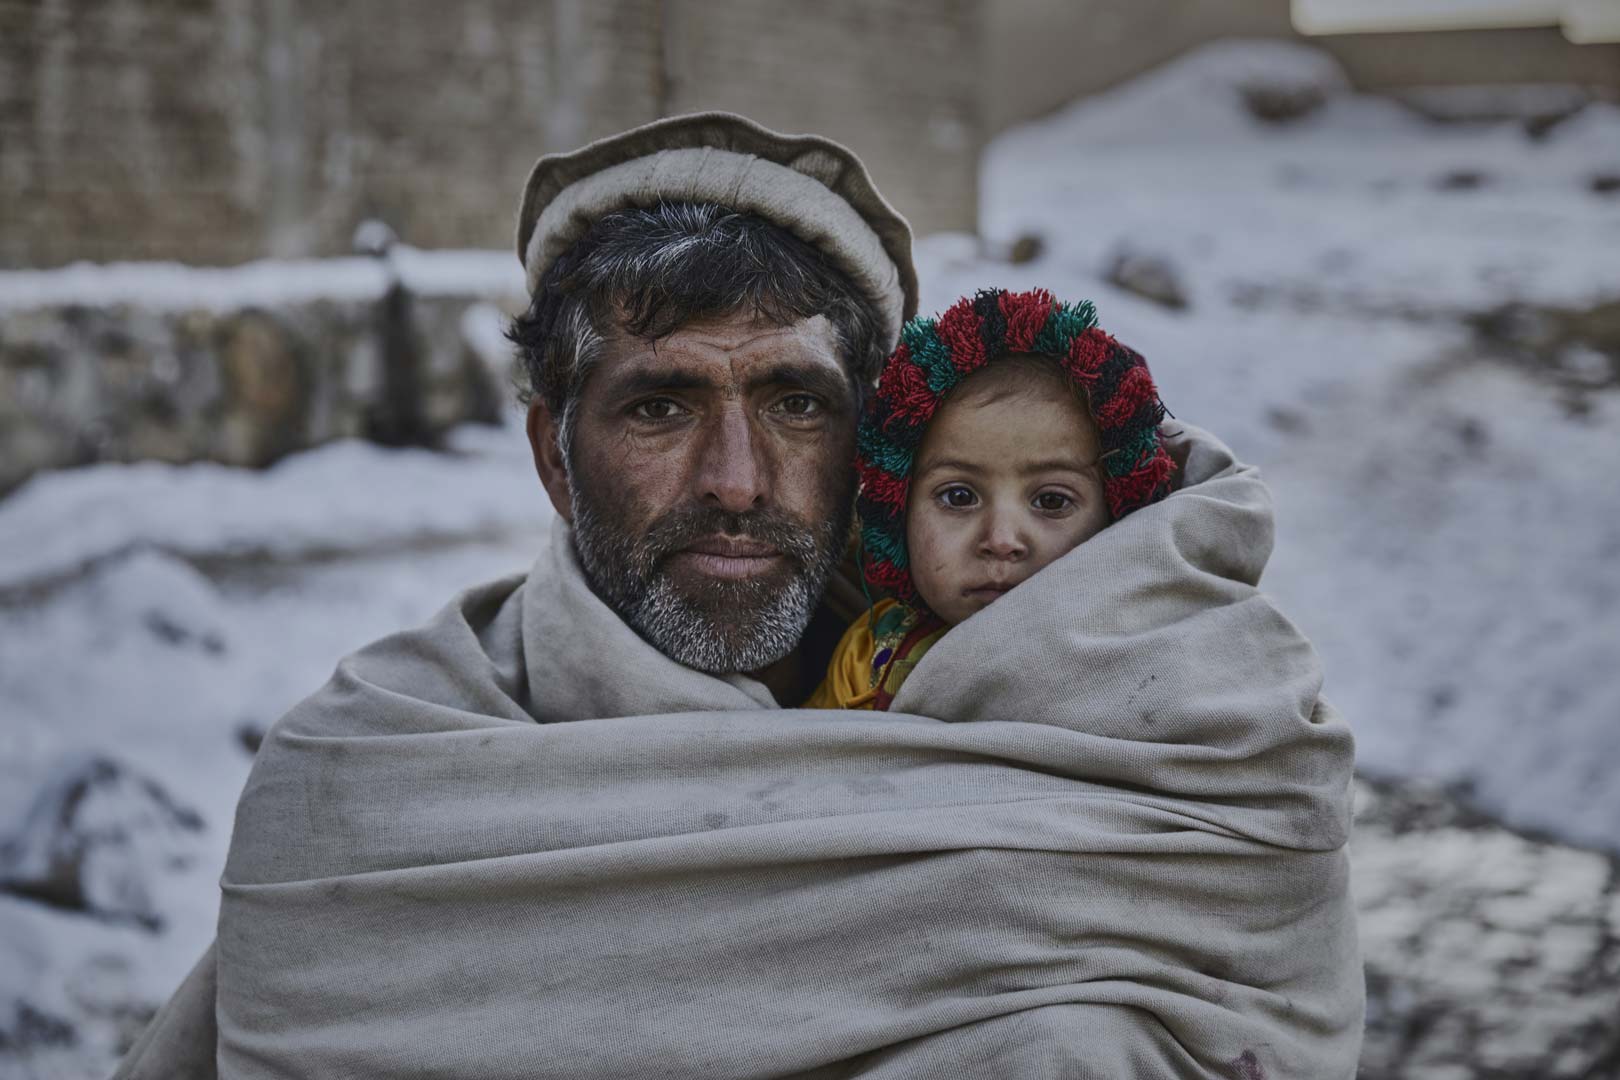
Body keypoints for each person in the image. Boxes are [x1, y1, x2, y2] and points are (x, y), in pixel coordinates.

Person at [115, 114, 1363, 1080]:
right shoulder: (367, 791)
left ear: (875, 442)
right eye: (659, 407)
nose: (735, 482)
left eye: (795, 404)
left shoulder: (1112, 732)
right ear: (555, 455)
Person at [810, 288, 1175, 710]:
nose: (1001, 540)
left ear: (1118, 517)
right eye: (959, 496)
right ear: (897, 510)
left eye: (1052, 502)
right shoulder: (872, 657)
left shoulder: (1149, 660)